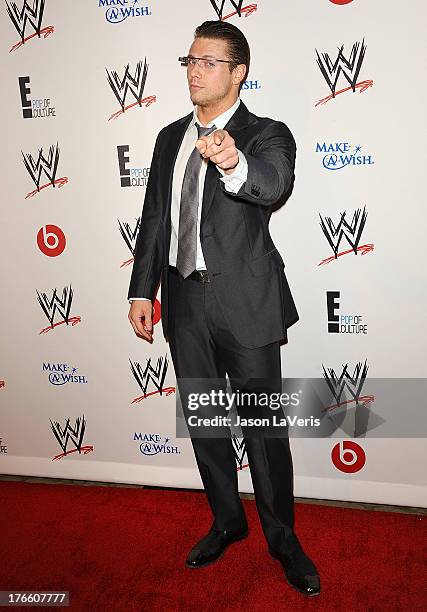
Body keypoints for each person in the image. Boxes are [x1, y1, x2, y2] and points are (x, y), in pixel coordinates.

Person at [127, 20, 320, 597]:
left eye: (210, 62)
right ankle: (226, 521)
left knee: (263, 430)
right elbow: (155, 218)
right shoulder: (168, 137)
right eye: (189, 60)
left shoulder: (265, 133)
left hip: (247, 302)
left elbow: (273, 184)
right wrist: (143, 290)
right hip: (184, 301)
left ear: (238, 72)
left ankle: (283, 540)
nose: (195, 70)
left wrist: (233, 162)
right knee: (208, 424)